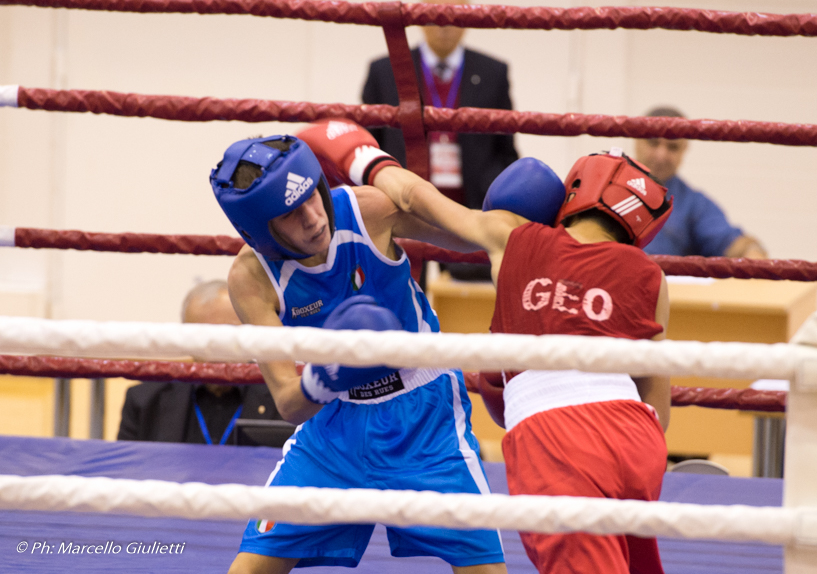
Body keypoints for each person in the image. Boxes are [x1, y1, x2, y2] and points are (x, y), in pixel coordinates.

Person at [301, 119, 673, 574]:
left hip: (558, 435)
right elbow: (657, 387)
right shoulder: (651, 277)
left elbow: (416, 198)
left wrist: (360, 157)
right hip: (635, 434)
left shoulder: (516, 236)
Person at [209, 128, 506, 574]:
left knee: (485, 567)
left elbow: (475, 235)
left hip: (425, 417)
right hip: (333, 428)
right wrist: (331, 373)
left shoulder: (367, 211)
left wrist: (387, 176)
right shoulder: (252, 278)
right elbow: (290, 402)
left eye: (313, 195)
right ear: (258, 232)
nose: (312, 217)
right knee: (249, 568)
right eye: (290, 214)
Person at [361, 0, 519, 280]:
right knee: (399, 288)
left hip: (471, 207)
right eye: (436, 15)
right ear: (419, 18)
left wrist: (498, 204)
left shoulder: (493, 72)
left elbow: (505, 148)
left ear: (469, 21)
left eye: (454, 15)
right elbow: (369, 142)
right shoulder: (386, 70)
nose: (445, 24)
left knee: (466, 303)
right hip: (402, 205)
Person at [117, 279, 281, 444]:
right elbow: (127, 469)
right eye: (204, 337)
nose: (219, 349)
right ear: (184, 340)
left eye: (229, 334)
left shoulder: (283, 399)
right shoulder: (145, 401)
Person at [635, 106, 768, 259]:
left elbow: (728, 241)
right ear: (637, 141)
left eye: (673, 147)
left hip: (661, 281)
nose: (661, 155)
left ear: (684, 150)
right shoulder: (607, 184)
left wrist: (752, 252)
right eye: (653, 143)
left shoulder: (693, 204)